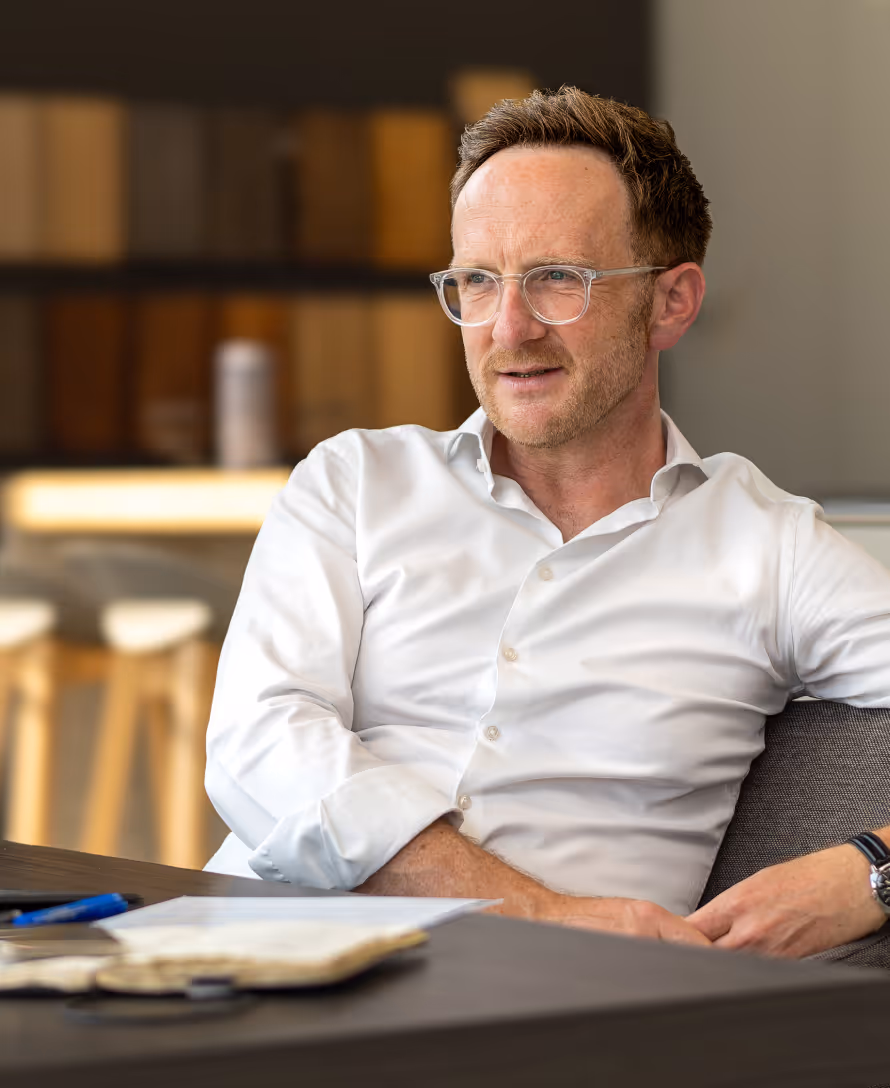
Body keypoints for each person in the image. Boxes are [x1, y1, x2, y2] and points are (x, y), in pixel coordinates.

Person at [205, 87, 890, 958]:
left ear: (672, 302)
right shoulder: (356, 483)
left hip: (542, 1002)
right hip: (241, 954)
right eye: (476, 281)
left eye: (559, 278)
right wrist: (525, 908)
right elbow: (258, 738)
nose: (508, 328)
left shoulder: (770, 549)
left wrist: (871, 870)